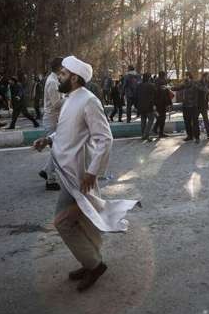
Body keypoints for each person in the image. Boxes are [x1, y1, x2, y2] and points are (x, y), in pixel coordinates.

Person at [32, 56, 139, 292]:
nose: (58, 77)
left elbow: (105, 138)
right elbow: (67, 133)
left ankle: (94, 264)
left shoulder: (89, 101)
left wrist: (92, 173)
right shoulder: (70, 99)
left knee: (63, 222)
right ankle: (89, 261)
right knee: (82, 220)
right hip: (67, 174)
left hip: (79, 177)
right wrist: (48, 140)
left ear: (74, 77)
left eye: (62, 73)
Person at [39, 57, 64, 191]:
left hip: (53, 118)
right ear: (60, 67)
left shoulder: (54, 80)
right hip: (52, 119)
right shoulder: (53, 82)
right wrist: (71, 99)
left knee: (57, 149)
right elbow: (56, 104)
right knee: (58, 150)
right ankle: (50, 179)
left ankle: (46, 170)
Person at [174, 73, 201, 143]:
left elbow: (199, 93)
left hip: (193, 106)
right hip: (185, 106)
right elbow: (178, 88)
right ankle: (190, 136)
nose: (184, 77)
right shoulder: (184, 84)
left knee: (195, 122)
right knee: (187, 122)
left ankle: (197, 137)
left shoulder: (195, 84)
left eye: (185, 76)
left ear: (189, 76)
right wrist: (168, 88)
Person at [136, 72, 157, 141]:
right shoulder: (151, 85)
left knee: (143, 121)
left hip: (140, 106)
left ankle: (143, 135)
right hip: (149, 106)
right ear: (149, 78)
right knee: (151, 120)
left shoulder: (139, 85)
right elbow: (154, 96)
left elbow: (136, 96)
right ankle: (146, 135)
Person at [153, 71, 173, 138]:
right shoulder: (163, 82)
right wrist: (169, 103)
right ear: (164, 75)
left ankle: (155, 128)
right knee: (162, 118)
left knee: (159, 117)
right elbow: (165, 94)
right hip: (162, 103)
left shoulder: (155, 81)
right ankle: (160, 133)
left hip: (157, 102)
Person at [198, 72, 209, 140]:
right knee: (195, 119)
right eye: (208, 76)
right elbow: (201, 89)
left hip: (204, 104)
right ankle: (195, 134)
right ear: (204, 76)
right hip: (198, 104)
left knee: (206, 119)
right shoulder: (199, 82)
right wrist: (208, 90)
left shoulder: (208, 83)